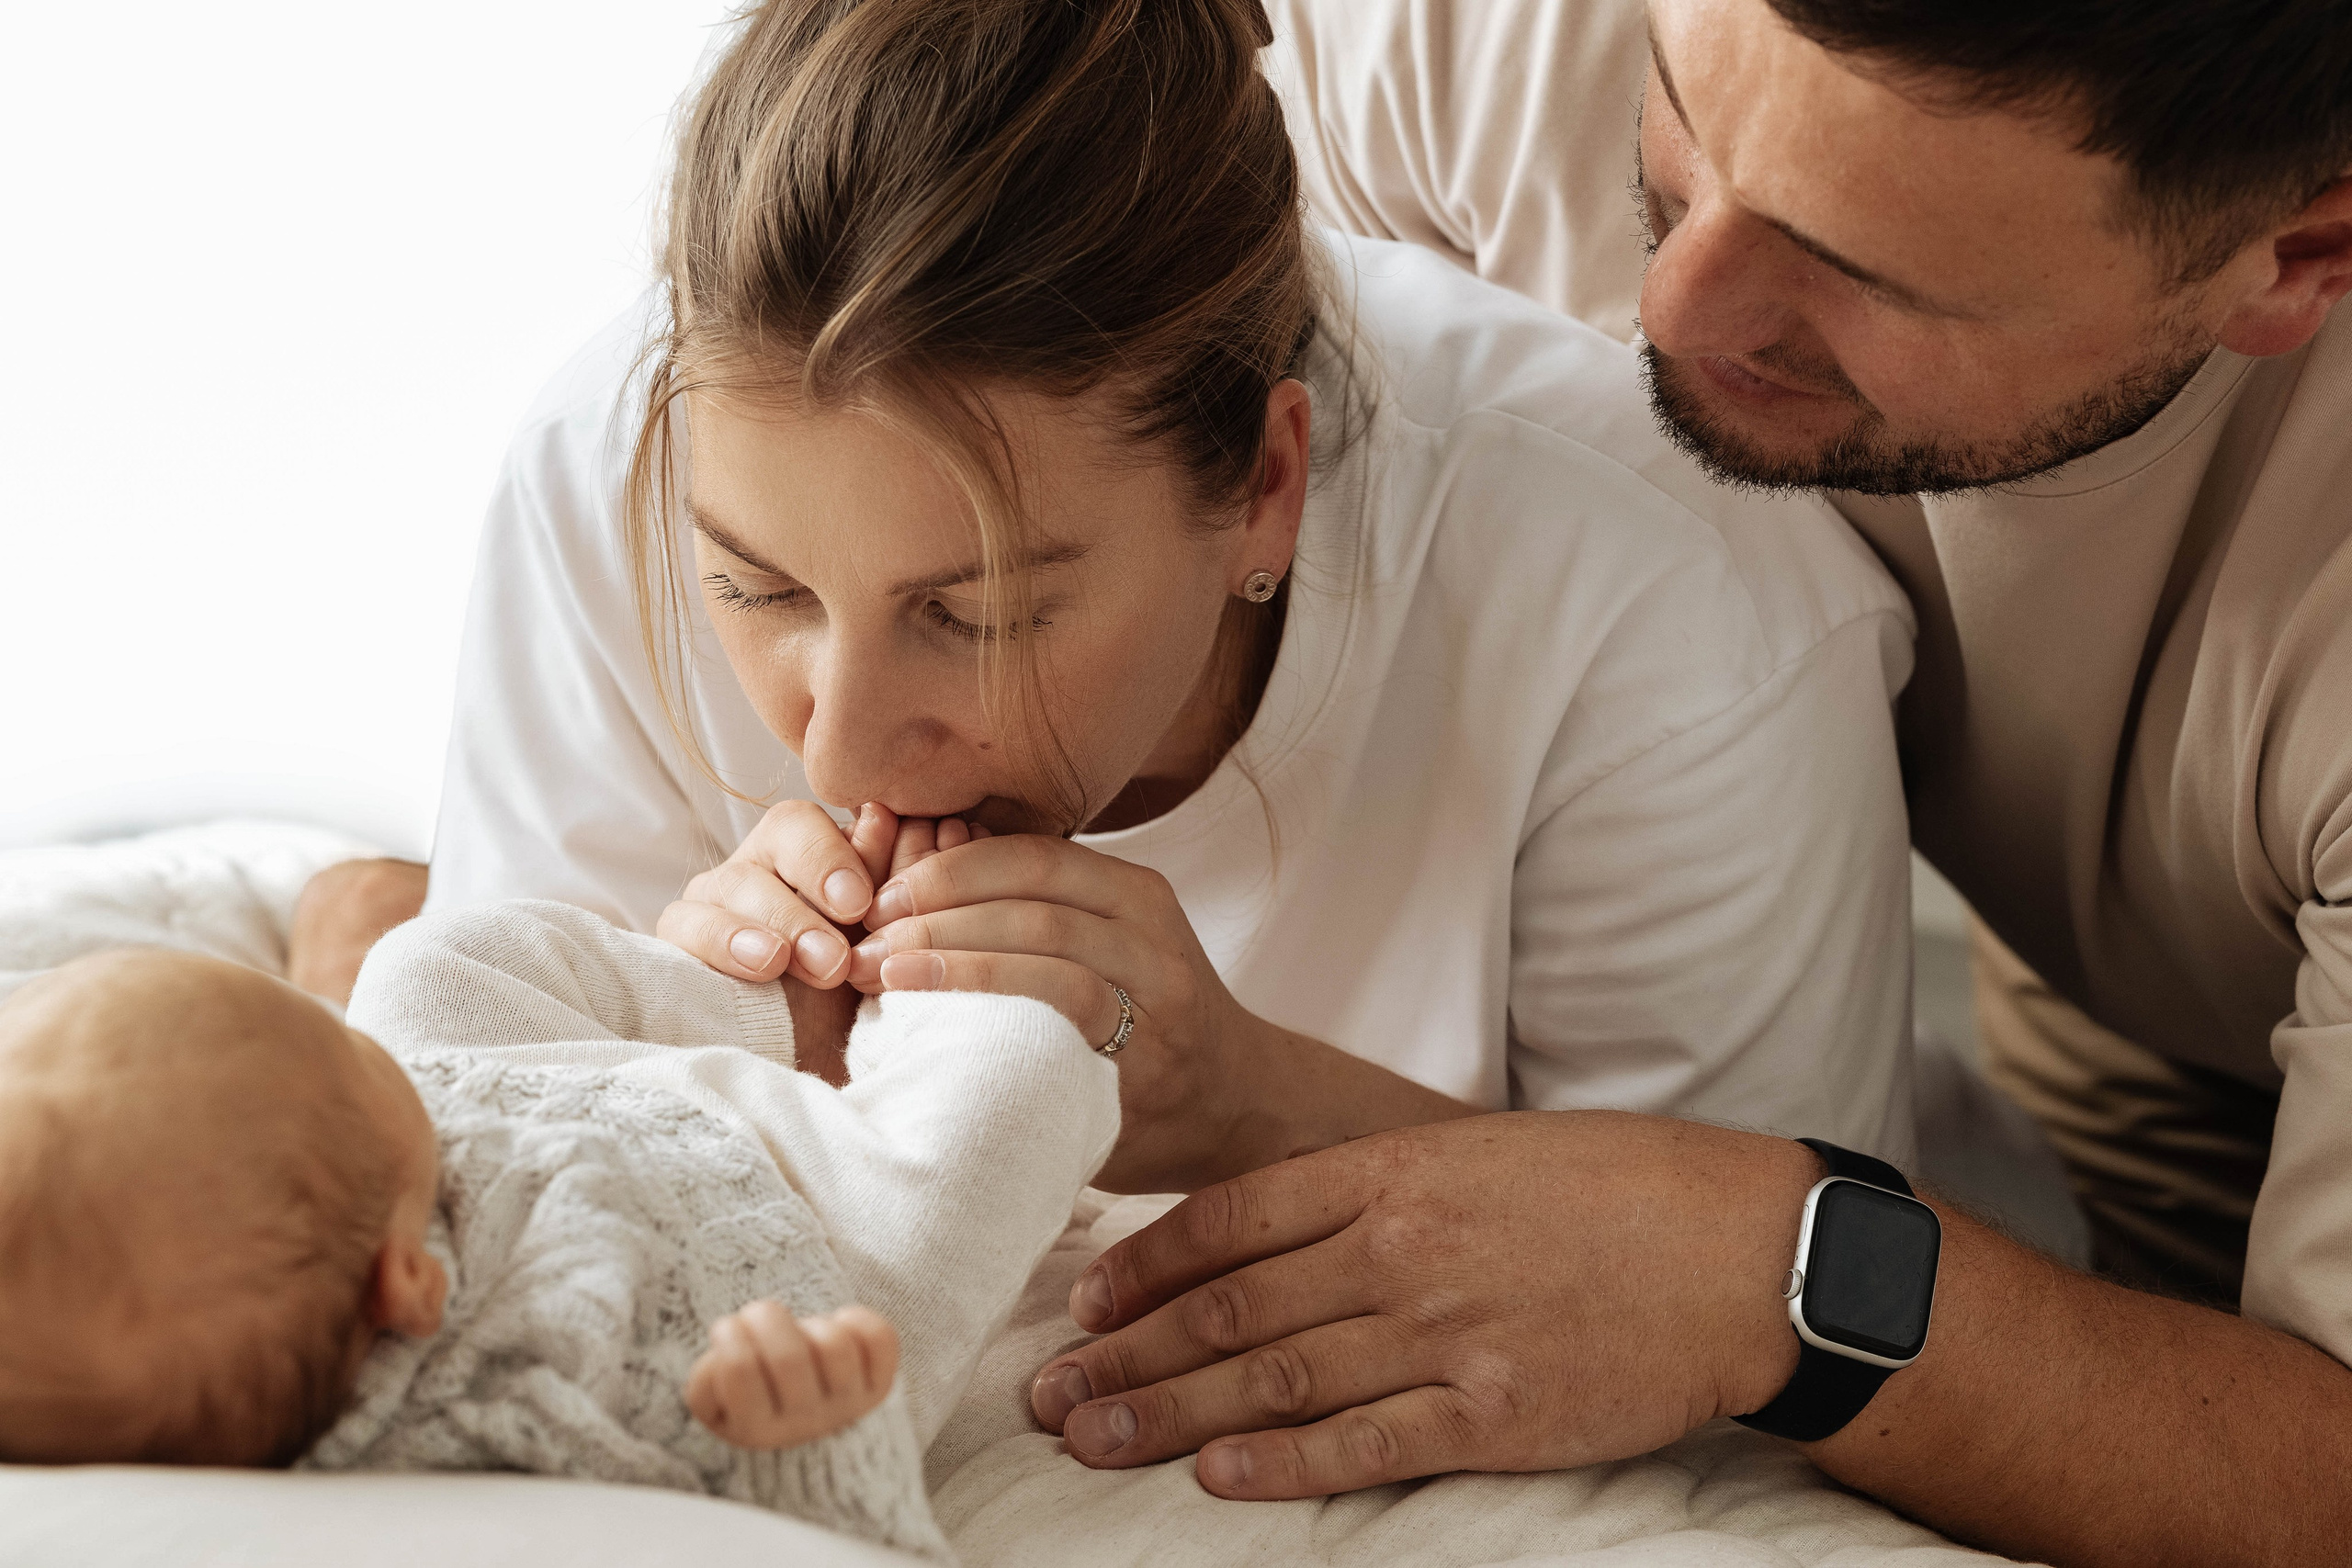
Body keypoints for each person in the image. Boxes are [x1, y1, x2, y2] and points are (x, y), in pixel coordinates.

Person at [1014, 3, 2352, 1564]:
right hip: (2093, 917)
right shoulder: (1474, 40)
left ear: (2299, 260)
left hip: (2239, 991)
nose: (1664, 305)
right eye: (1680, 125)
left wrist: (1768, 1270)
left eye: (1862, 271)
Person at [420, 0, 1917, 1207]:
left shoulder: (1682, 606)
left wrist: (1248, 1103)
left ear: (1267, 484)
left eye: (981, 612)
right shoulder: (601, 470)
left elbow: (1768, 1332)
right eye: (756, 586)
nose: (845, 761)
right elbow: (476, 1178)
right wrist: (727, 1070)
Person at [0, 866, 1119, 1559]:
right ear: (408, 1284)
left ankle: (781, 1011)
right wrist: (803, 1446)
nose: (339, 1027)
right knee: (1016, 1078)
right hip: (802, 1237)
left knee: (424, 962)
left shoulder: (323, 1207)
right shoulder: (520, 1426)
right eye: (338, 1053)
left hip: (536, 1097)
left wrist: (362, 1075)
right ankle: (908, 1006)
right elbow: (808, 1546)